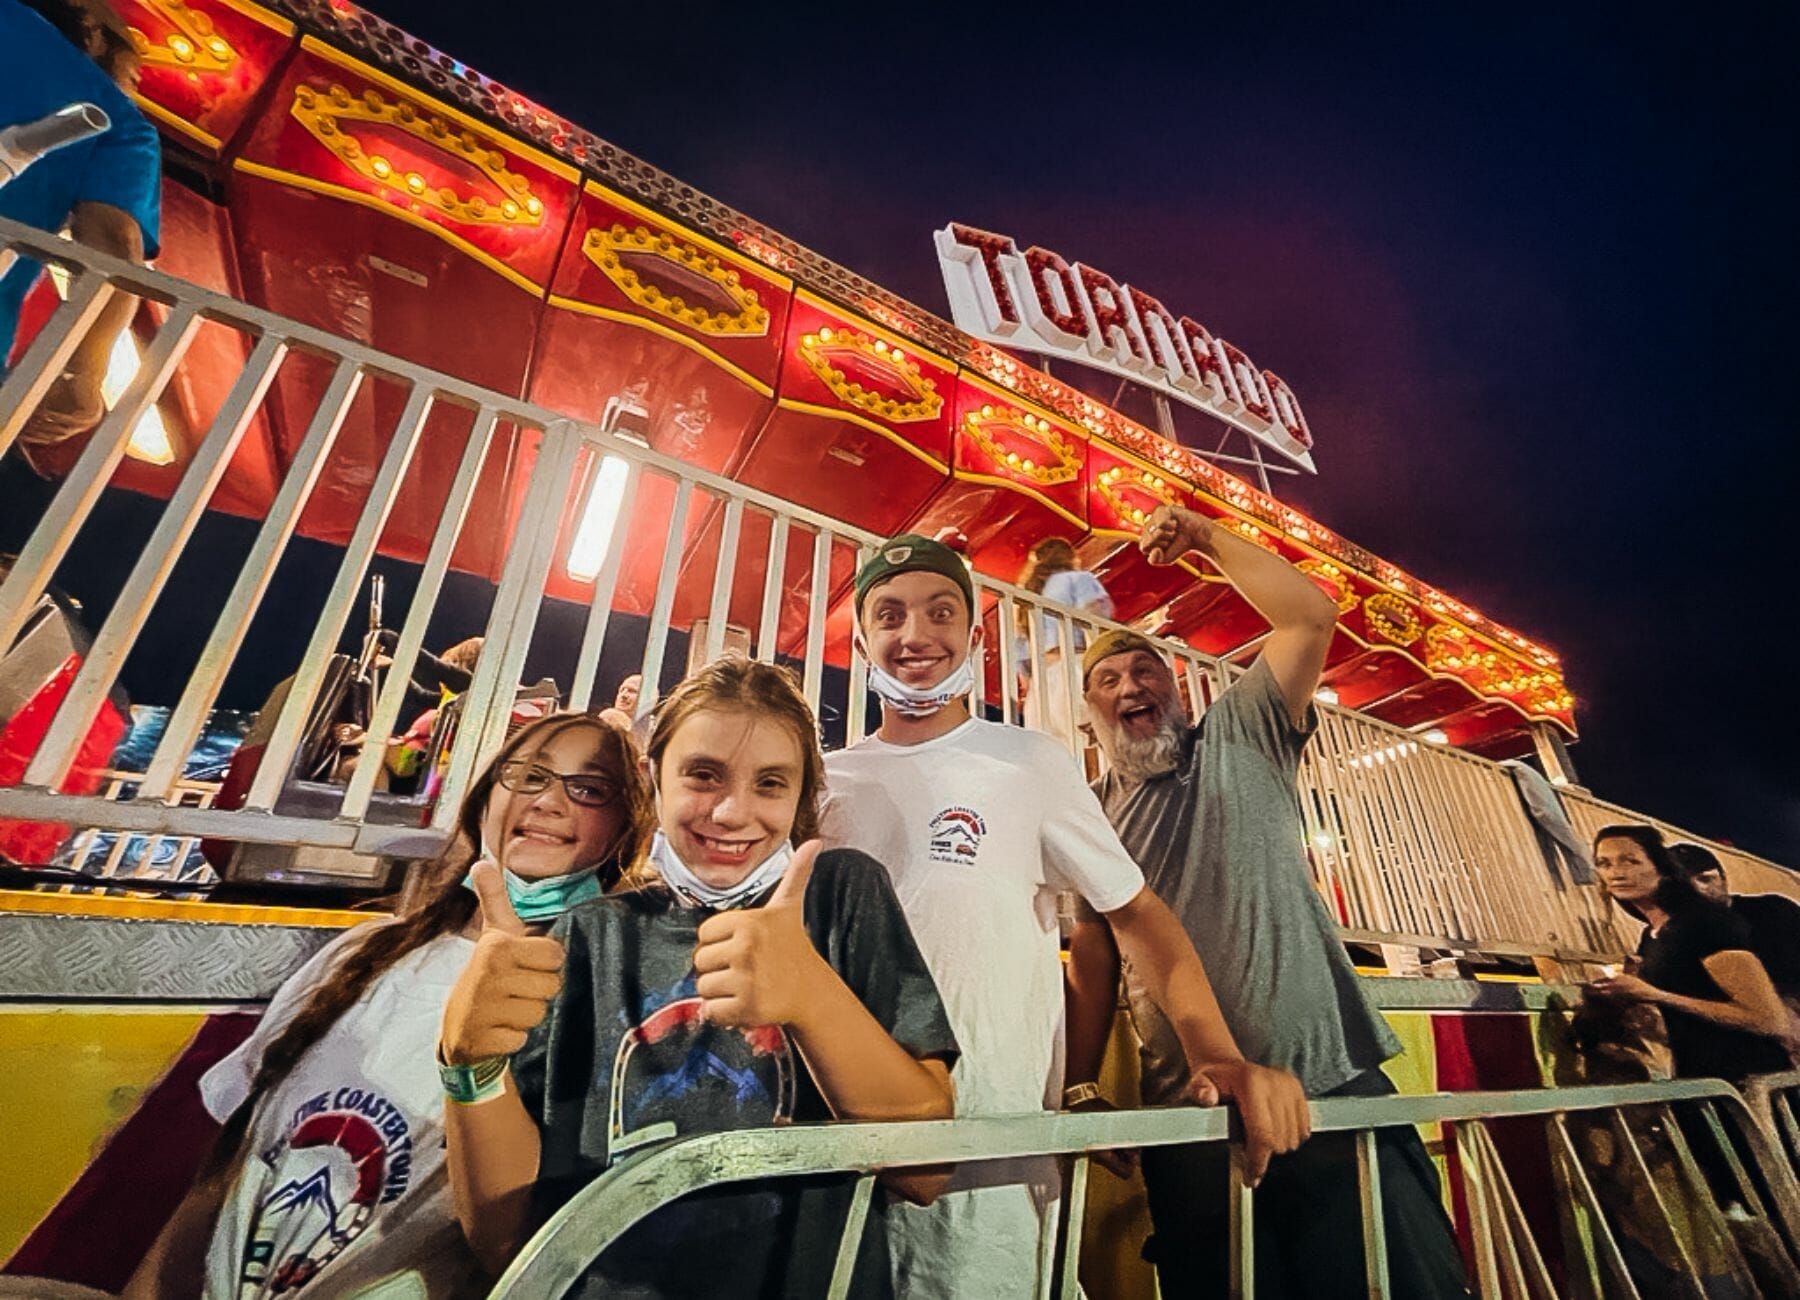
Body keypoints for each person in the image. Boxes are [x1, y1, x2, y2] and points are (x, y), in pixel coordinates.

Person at [819, 532, 1308, 1300]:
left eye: (941, 612)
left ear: (976, 638)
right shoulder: (825, 782)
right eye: (889, 615)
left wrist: (1212, 1050)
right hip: (836, 1156)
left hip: (989, 1170)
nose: (915, 634)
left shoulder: (1030, 764)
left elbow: (1136, 917)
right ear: (859, 640)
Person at [440, 656, 958, 1298]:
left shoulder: (841, 893)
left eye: (771, 783)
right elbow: (505, 1244)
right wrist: (469, 1070)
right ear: (654, 780)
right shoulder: (589, 934)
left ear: (801, 798)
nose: (732, 812)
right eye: (703, 776)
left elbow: (927, 1169)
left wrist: (813, 998)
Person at [1070, 503, 1468, 1300]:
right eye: (1106, 681)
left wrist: (1209, 539)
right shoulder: (1089, 812)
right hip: (1193, 1114)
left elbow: (1309, 617)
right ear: (1091, 715)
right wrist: (1080, 1084)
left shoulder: (1242, 733)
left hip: (1332, 1085)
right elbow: (1092, 960)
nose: (1128, 686)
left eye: (1144, 669)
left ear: (1175, 686)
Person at [124, 711, 653, 1299]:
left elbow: (526, 1245)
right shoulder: (363, 951)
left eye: (589, 790)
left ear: (621, 838)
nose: (549, 801)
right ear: (483, 802)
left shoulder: (602, 1000)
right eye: (526, 775)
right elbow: (223, 1173)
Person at [2, 0, 161, 445]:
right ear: (91, 30)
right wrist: (83, 373)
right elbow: (111, 246)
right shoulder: (117, 124)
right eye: (131, 62)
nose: (136, 82)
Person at [1590, 824, 1790, 1082]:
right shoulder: (1652, 936)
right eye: (1604, 864)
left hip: (1747, 1083)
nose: (1617, 873)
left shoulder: (1703, 924)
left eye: (1631, 861)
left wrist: (1656, 994)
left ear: (1661, 869)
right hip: (1698, 1081)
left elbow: (1768, 1019)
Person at [1013, 537, 1112, 747]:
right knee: (1099, 743)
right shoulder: (1078, 579)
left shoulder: (1027, 595)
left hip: (1041, 684)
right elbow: (1096, 618)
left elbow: (1019, 654)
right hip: (1074, 667)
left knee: (1053, 754)